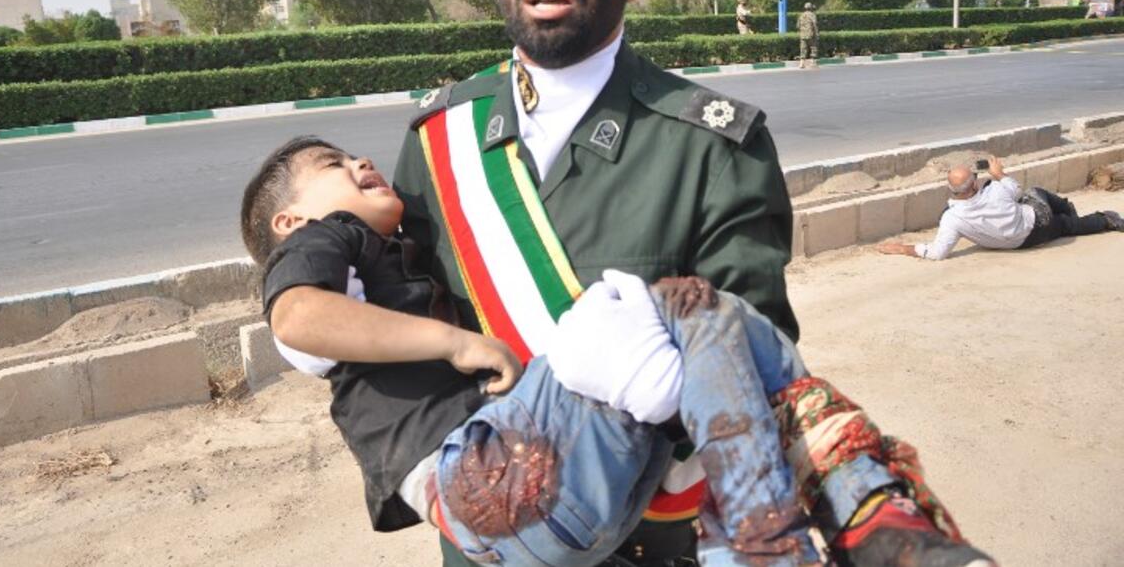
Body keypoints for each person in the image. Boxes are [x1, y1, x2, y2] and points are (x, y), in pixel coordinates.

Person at [393, 0, 987, 564]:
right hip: (485, 543)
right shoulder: (441, 139)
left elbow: (755, 374)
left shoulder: (715, 147)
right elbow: (398, 351)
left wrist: (659, 386)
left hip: (646, 544)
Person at [241, 137, 995, 567]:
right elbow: (300, 317)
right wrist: (458, 339)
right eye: (336, 164)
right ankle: (858, 496)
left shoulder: (391, 255)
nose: (363, 161)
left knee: (716, 324)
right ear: (289, 220)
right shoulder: (326, 244)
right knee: (670, 306)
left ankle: (781, 526)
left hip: (552, 527)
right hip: (484, 478)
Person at [878, 156, 1124, 260]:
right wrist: (998, 173)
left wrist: (901, 248)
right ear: (975, 183)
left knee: (1062, 226)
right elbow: (1016, 190)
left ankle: (1100, 220)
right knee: (1036, 193)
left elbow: (937, 252)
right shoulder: (995, 189)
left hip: (1019, 244)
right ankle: (1073, 211)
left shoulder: (952, 218)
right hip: (1036, 223)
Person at [797, 3, 819, 69]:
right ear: (811, 8)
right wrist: (816, 33)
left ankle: (802, 64)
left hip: (803, 34)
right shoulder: (812, 15)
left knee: (803, 48)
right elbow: (815, 24)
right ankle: (813, 63)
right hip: (811, 34)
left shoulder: (801, 15)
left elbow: (798, 25)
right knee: (813, 47)